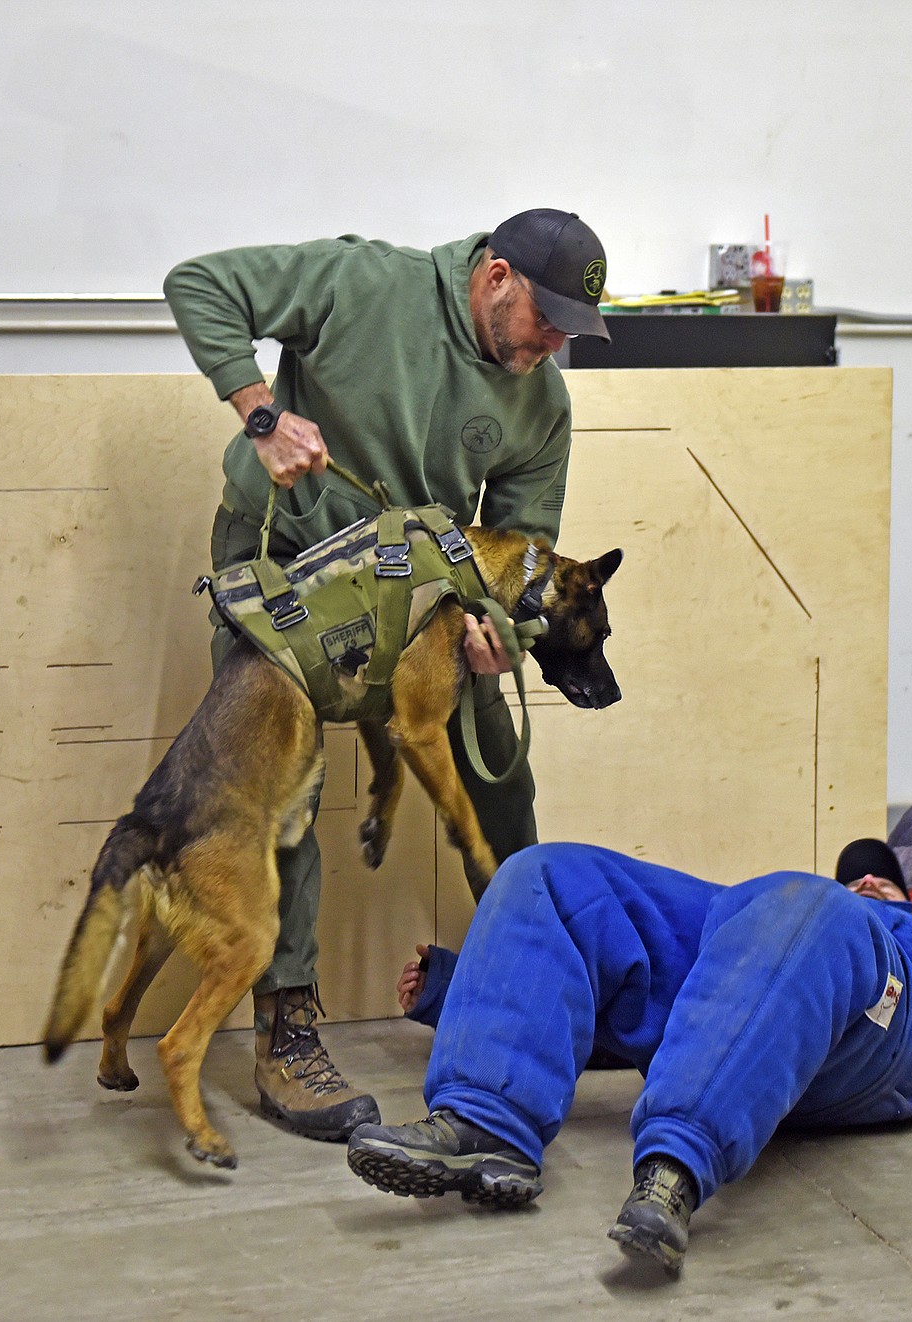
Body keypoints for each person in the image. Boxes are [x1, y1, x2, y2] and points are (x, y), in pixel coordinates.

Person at [163, 209, 611, 1143]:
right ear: (496, 279)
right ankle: (286, 1025)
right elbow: (198, 283)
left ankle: (538, 987)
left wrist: (503, 639)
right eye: (548, 321)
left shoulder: (544, 405)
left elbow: (525, 557)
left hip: (417, 598)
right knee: (278, 785)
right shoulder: (361, 285)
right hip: (284, 568)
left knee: (498, 767)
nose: (556, 345)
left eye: (573, 331)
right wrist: (262, 414)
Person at [346, 840, 912, 1274]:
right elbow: (661, 1017)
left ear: (903, 896)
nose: (862, 879)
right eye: (852, 871)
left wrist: (853, 906)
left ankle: (674, 1171)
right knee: (550, 876)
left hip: (880, 1023)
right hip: (757, 930)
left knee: (806, 909)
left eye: (877, 878)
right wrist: (455, 989)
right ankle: (484, 1120)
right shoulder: (777, 907)